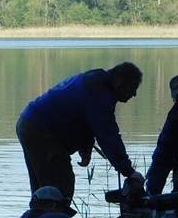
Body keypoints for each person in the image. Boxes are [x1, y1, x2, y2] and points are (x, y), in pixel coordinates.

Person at [16, 62, 144, 201]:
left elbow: (86, 120)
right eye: (133, 88)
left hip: (29, 123)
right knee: (60, 187)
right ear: (121, 84)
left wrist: (85, 148)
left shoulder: (97, 81)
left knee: (44, 189)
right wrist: (129, 172)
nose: (135, 94)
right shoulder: (99, 92)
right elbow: (108, 136)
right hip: (41, 130)